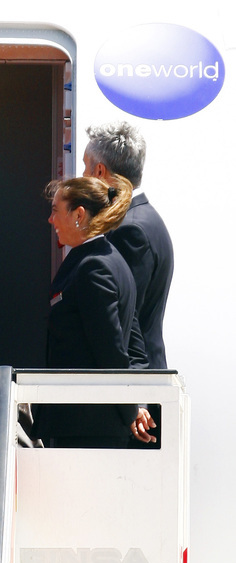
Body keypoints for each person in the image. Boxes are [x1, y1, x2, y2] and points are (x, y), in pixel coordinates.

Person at [38, 176, 154, 448]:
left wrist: (132, 410)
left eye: (55, 210)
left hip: (86, 428)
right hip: (95, 425)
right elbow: (135, 349)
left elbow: (112, 351)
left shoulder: (93, 266)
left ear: (79, 214)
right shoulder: (110, 258)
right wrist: (135, 404)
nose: (50, 220)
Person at [84, 121, 173, 369]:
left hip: (135, 382)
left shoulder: (130, 230)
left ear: (100, 172)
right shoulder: (142, 218)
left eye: (85, 166)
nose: (82, 176)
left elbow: (124, 319)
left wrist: (133, 402)